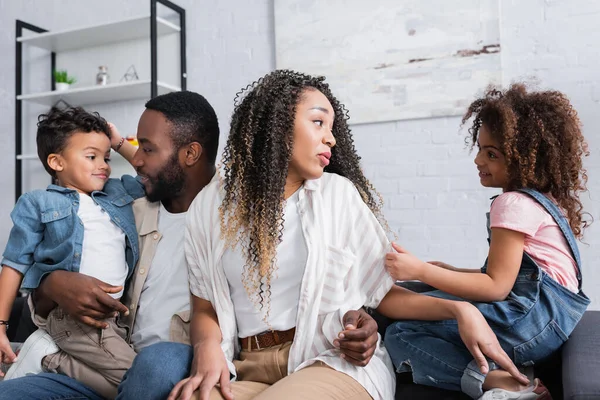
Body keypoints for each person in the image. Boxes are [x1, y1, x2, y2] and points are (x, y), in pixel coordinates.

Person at [166, 70, 528, 400]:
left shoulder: (337, 196)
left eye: (332, 127)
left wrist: (458, 309)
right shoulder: (211, 206)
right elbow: (204, 307)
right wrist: (207, 346)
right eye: (318, 122)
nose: (331, 138)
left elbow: (384, 295)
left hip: (330, 361)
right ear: (275, 125)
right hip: (244, 367)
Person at [0, 90, 380, 400]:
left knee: (159, 364)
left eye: (147, 149)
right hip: (101, 354)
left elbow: (317, 276)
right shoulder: (124, 209)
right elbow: (55, 266)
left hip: (174, 362)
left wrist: (357, 312)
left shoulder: (239, 216)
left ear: (190, 154)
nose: (135, 160)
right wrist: (51, 284)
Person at [383, 84, 591, 399]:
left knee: (401, 333)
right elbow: (515, 277)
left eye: (491, 154)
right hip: (551, 321)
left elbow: (497, 287)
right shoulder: (541, 201)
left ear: (525, 159)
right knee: (421, 292)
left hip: (529, 324)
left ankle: (503, 381)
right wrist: (447, 270)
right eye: (479, 148)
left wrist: (421, 271)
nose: (479, 160)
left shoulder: (511, 204)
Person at [0, 107, 143, 398]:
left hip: (111, 320)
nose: (104, 165)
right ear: (56, 162)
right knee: (141, 380)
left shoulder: (116, 194)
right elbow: (14, 263)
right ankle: (49, 358)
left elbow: (148, 172)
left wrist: (119, 143)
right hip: (71, 316)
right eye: (91, 156)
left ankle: (49, 358)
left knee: (135, 385)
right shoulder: (38, 203)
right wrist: (0, 326)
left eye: (106, 157)